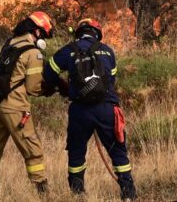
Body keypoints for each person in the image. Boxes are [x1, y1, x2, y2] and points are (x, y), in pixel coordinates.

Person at [42, 18, 137, 201]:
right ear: (97, 33)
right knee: (118, 151)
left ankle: (77, 194)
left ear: (79, 31)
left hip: (80, 111)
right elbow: (111, 80)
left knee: (77, 152)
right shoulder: (108, 51)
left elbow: (48, 73)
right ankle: (129, 194)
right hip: (107, 109)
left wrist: (63, 88)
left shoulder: (69, 50)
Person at [0, 11, 52, 194]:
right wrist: (49, 89)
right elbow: (33, 88)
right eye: (43, 35)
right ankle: (41, 190)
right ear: (37, 32)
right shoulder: (33, 53)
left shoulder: (8, 45)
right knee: (32, 148)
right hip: (15, 108)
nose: (43, 39)